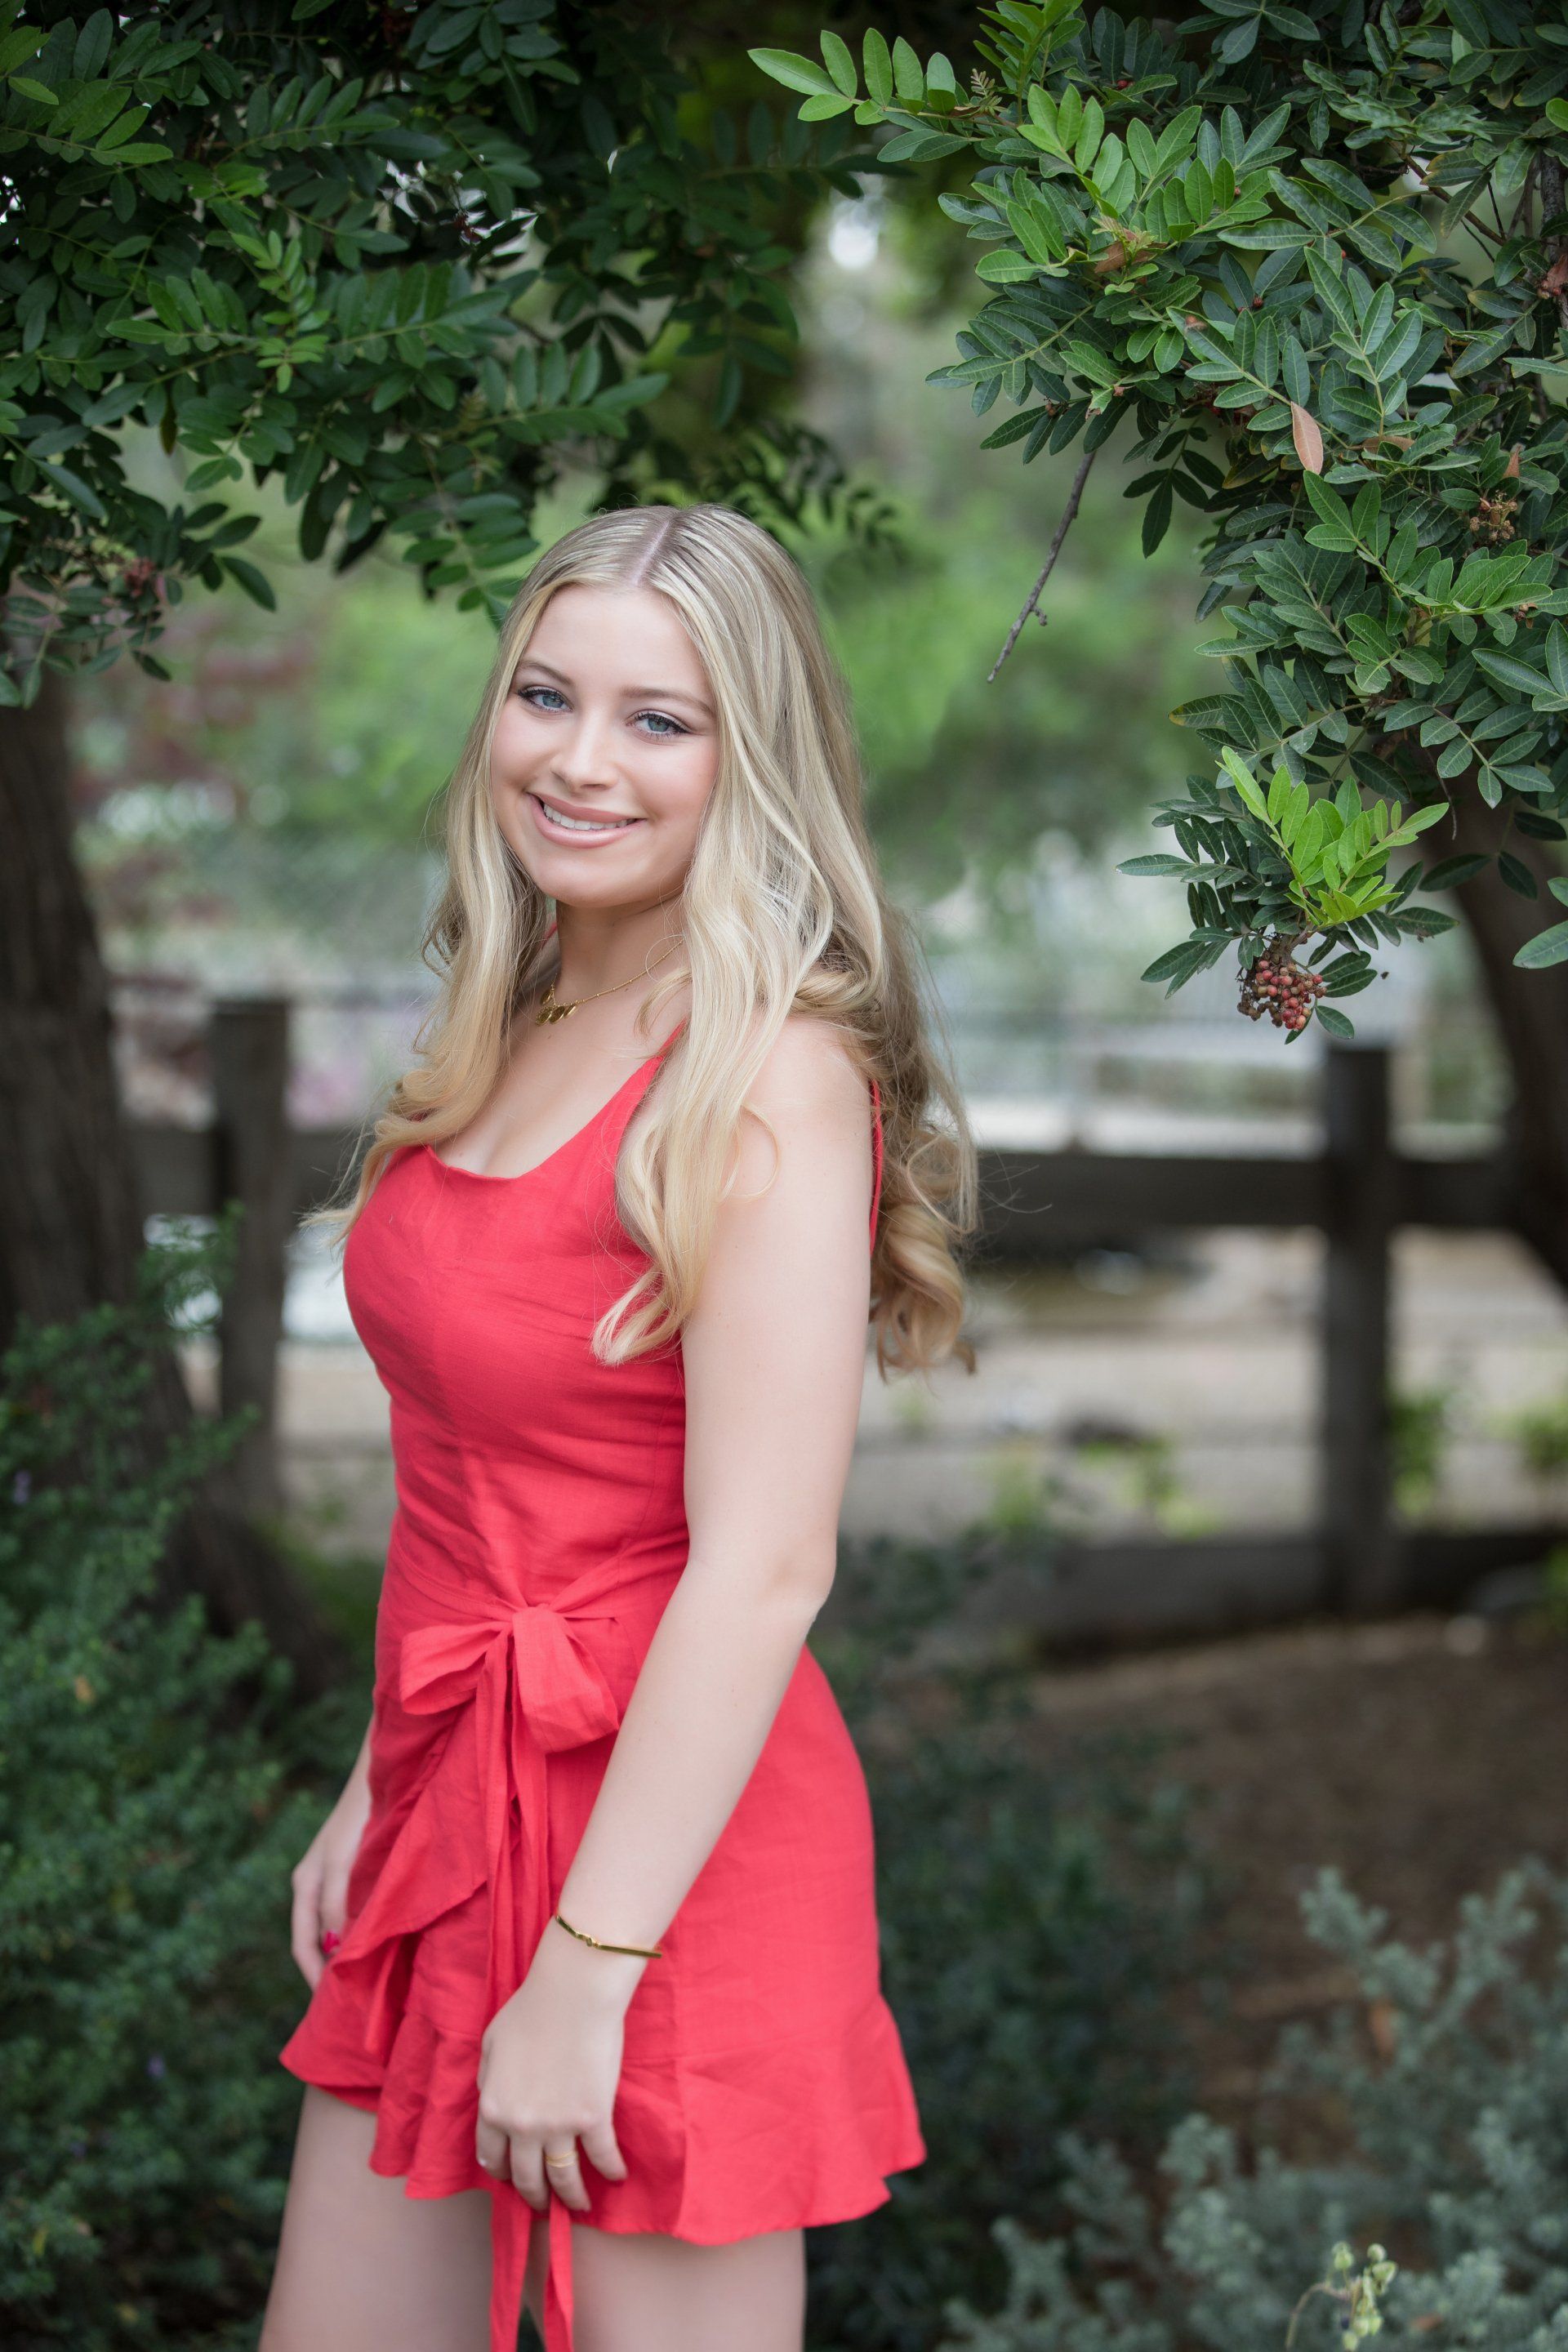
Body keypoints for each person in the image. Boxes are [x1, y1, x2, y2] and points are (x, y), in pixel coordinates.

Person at [262, 503, 976, 2352]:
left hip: (668, 1863)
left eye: (660, 720)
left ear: (755, 758)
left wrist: (589, 1975)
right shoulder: (507, 1016)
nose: (580, 760)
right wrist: (375, 1777)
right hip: (450, 1808)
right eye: (546, 695)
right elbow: (466, 1480)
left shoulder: (772, 1077)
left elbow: (763, 1566)